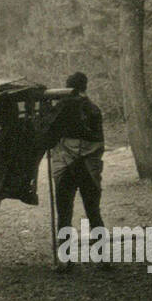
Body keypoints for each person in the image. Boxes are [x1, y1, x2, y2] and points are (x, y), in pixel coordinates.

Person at [46, 71, 105, 233]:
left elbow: (48, 135)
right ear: (85, 87)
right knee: (93, 212)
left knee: (64, 214)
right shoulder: (94, 108)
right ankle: (101, 254)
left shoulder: (63, 106)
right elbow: (99, 141)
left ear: (67, 87)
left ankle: (67, 256)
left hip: (66, 165)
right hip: (89, 166)